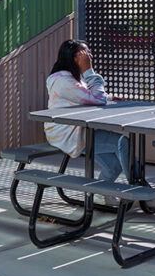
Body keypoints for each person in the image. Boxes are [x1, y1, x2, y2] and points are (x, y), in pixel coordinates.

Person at [44, 39, 129, 182]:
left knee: (114, 166)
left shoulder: (69, 77)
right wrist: (89, 71)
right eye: (86, 53)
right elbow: (97, 99)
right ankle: (142, 192)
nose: (90, 56)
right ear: (74, 57)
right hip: (68, 135)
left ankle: (103, 195)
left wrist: (108, 97)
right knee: (123, 142)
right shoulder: (63, 81)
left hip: (79, 131)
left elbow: (83, 97)